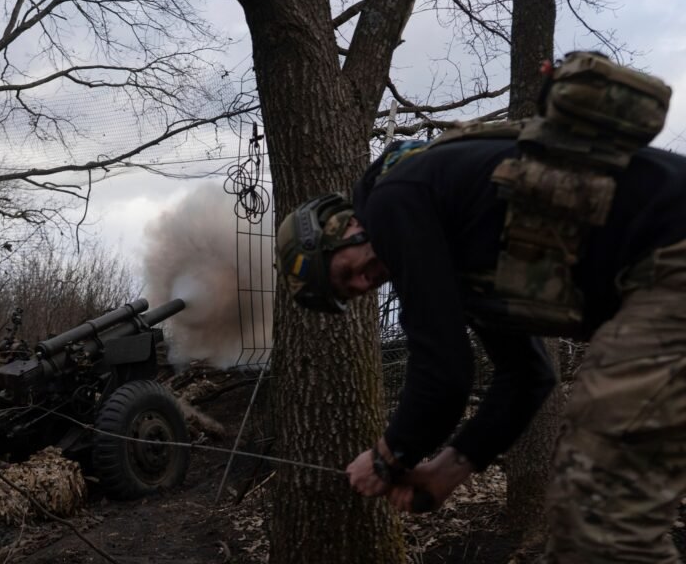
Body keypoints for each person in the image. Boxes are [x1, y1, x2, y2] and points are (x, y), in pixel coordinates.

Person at [275, 54, 686, 563]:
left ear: (344, 229)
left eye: (345, 272)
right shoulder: (462, 245)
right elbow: (528, 374)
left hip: (670, 263)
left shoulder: (393, 200)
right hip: (659, 281)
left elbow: (444, 371)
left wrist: (387, 457)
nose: (364, 283)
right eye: (352, 292)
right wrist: (450, 470)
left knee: (600, 523)